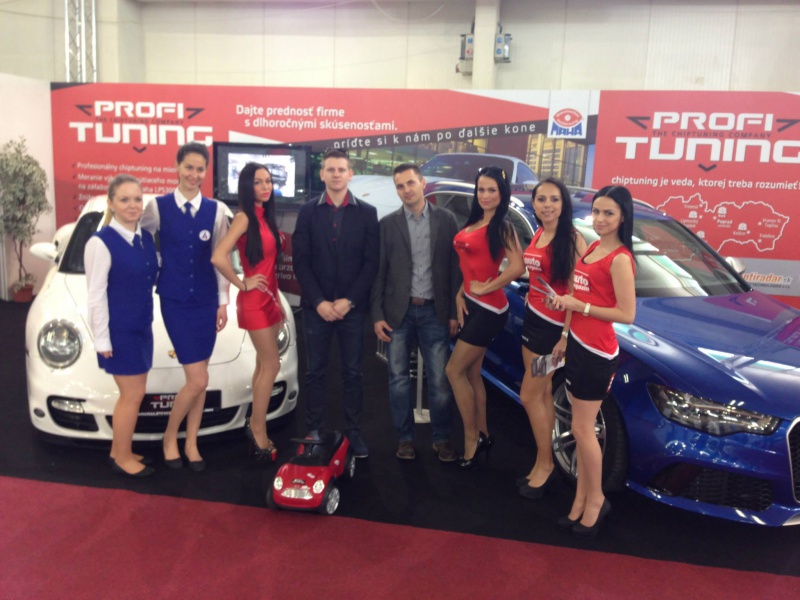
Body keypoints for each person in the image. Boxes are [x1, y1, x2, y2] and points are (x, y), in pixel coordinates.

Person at [548, 185, 636, 537]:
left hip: (598, 352)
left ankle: (596, 499)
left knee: (584, 430)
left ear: (623, 217)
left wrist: (580, 306)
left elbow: (627, 314)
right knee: (581, 429)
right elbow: (579, 293)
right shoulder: (593, 247)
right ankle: (581, 498)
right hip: (578, 345)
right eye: (596, 211)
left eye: (608, 213)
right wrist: (566, 325)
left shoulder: (620, 259)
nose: (600, 219)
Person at [141, 142, 230, 472]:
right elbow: (142, 244)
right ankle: (169, 437)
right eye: (188, 167)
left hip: (206, 300)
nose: (194, 174)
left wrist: (223, 303)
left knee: (201, 377)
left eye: (200, 169)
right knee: (198, 378)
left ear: (206, 171)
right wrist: (157, 269)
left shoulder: (216, 210)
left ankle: (191, 442)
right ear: (177, 167)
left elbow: (220, 259)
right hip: (175, 301)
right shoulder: (157, 207)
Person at [370, 163, 461, 462]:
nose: (406, 190)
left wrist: (453, 313)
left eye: (410, 183)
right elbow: (379, 272)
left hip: (435, 311)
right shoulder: (387, 225)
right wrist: (377, 315)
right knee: (398, 379)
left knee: (440, 381)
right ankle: (405, 438)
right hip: (398, 313)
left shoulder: (446, 220)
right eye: (400, 186)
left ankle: (441, 438)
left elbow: (455, 270)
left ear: (423, 184)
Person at [292, 148, 379, 458]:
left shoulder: (367, 213)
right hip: (316, 309)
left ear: (350, 174)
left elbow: (371, 263)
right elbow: (301, 262)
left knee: (353, 373)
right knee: (315, 372)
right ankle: (313, 431)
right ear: (322, 174)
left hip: (351, 310)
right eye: (331, 169)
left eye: (342, 169)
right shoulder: (307, 212)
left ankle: (353, 432)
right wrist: (319, 302)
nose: (336, 174)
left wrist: (349, 301)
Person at [446, 166, 525, 469]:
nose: (486, 195)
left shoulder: (502, 226)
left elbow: (517, 266)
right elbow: (468, 265)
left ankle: (471, 439)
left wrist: (486, 287)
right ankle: (484, 434)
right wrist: (460, 293)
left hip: (490, 310)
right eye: (481, 189)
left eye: (492, 190)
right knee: (471, 374)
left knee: (453, 371)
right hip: (471, 304)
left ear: (502, 194)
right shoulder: (474, 222)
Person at [85, 174, 158, 478]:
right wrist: (102, 339)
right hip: (120, 331)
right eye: (124, 199)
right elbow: (96, 295)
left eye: (137, 199)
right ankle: (123, 458)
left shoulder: (145, 238)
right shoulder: (100, 242)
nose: (132, 205)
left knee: (134, 394)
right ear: (111, 203)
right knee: (132, 395)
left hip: (141, 327)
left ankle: (119, 450)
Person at [517, 178, 587, 498]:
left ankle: (546, 465)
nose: (547, 205)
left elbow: (577, 291)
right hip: (533, 322)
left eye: (554, 199)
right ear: (533, 203)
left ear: (563, 204)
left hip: (553, 331)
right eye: (542, 199)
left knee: (529, 396)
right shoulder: (538, 232)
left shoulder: (571, 239)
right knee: (542, 394)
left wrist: (565, 337)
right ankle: (541, 461)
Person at [211, 163, 285, 461]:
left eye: (268, 181)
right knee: (272, 365)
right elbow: (218, 256)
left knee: (263, 365)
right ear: (246, 186)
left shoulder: (265, 216)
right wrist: (242, 283)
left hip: (270, 298)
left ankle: (254, 422)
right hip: (254, 301)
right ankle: (257, 429)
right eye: (258, 182)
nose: (266, 187)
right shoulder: (243, 217)